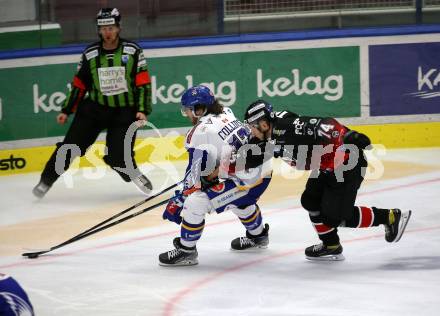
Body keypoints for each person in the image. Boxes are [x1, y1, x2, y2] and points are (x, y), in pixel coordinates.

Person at [243, 100, 412, 261]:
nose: (252, 131)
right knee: (310, 200)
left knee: (335, 217)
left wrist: (348, 135)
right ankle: (331, 246)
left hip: (347, 166)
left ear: (264, 124)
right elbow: (256, 149)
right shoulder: (271, 132)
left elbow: (324, 125)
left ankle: (391, 217)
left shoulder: (285, 128)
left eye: (252, 127)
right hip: (326, 167)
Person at [32, 8, 153, 198]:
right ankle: (46, 180)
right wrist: (67, 109)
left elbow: (143, 82)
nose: (108, 32)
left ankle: (133, 174)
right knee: (69, 147)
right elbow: (79, 84)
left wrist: (142, 110)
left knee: (117, 156)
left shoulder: (133, 51)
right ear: (99, 30)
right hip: (94, 109)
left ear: (119, 28)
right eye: (103, 28)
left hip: (124, 112)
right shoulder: (90, 54)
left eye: (111, 28)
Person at [159, 85, 272, 266]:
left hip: (246, 179)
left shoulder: (199, 132)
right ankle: (258, 237)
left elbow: (193, 175)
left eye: (188, 110)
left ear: (199, 109)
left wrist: (179, 200)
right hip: (263, 171)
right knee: (237, 200)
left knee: (195, 202)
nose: (187, 114)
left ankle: (186, 250)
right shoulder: (226, 111)